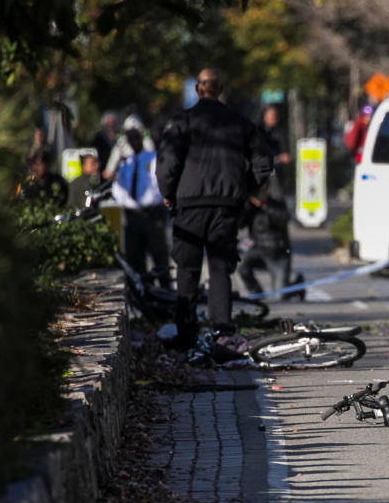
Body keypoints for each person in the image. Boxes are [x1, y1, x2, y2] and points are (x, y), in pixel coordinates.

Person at [156, 68, 273, 349]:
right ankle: (222, 331)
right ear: (220, 90)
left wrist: (168, 195)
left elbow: (167, 163)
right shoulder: (240, 122)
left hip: (189, 206)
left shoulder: (182, 122)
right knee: (220, 269)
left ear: (198, 89)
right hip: (227, 206)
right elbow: (264, 161)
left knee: (187, 269)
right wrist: (245, 187)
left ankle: (186, 335)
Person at [238, 150, 303, 301]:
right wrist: (249, 205)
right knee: (242, 266)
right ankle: (257, 294)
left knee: (281, 297)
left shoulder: (276, 203)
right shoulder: (250, 206)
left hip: (278, 254)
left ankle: (298, 285)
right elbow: (239, 224)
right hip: (259, 251)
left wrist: (265, 205)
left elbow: (284, 218)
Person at [112, 122, 171, 288]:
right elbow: (118, 188)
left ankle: (166, 292)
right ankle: (146, 293)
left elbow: (158, 185)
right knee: (135, 258)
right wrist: (131, 203)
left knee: (159, 255)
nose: (134, 141)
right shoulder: (126, 162)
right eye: (130, 138)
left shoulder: (153, 158)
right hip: (132, 215)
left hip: (152, 213)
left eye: (136, 137)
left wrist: (145, 201)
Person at [103, 114, 155, 179]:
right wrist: (110, 169)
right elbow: (115, 155)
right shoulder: (122, 142)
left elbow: (151, 156)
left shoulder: (146, 140)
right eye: (130, 135)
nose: (134, 139)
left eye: (136, 135)